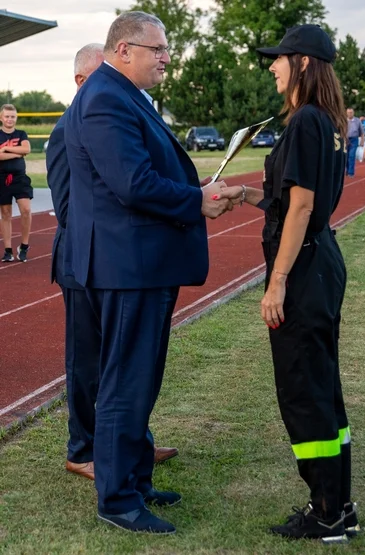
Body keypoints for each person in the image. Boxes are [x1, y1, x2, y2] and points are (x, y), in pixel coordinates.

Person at [63, 12, 230, 535]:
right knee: (125, 383)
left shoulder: (123, 93)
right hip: (127, 266)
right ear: (122, 49)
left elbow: (144, 173)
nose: (164, 57)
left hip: (138, 262)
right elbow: (132, 184)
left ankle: (134, 478)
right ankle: (117, 500)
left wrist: (190, 189)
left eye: (166, 49)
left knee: (140, 379)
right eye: (156, 49)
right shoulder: (107, 96)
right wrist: (195, 200)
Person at [215, 24, 360, 543]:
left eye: (278, 59)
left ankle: (325, 514)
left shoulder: (304, 123)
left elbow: (301, 206)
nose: (271, 66)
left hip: (303, 269)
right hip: (321, 260)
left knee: (304, 391)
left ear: (302, 63)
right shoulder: (323, 121)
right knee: (322, 386)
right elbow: (291, 198)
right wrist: (247, 196)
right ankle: (339, 504)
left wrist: (276, 282)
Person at [47, 43, 179, 483]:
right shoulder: (71, 127)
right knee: (88, 364)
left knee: (121, 363)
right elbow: (70, 210)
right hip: (82, 263)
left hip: (106, 258)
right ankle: (82, 448)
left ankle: (129, 443)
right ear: (82, 82)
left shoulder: (112, 113)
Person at [0, 104, 33, 262]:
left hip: (20, 177)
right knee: (5, 213)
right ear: (1, 117)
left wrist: (6, 150)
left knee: (26, 210)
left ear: (16, 118)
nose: (9, 119)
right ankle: (8, 250)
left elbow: (27, 149)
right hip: (2, 178)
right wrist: (16, 153)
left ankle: (24, 246)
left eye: (12, 116)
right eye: (7, 116)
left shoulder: (21, 133)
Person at [345, 108, 364, 177]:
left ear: (353, 113)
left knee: (351, 156)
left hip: (354, 139)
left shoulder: (357, 121)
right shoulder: (344, 120)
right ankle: (347, 170)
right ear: (346, 113)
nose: (350, 114)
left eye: (351, 112)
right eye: (348, 112)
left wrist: (362, 141)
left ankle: (351, 172)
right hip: (345, 139)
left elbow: (362, 132)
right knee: (345, 156)